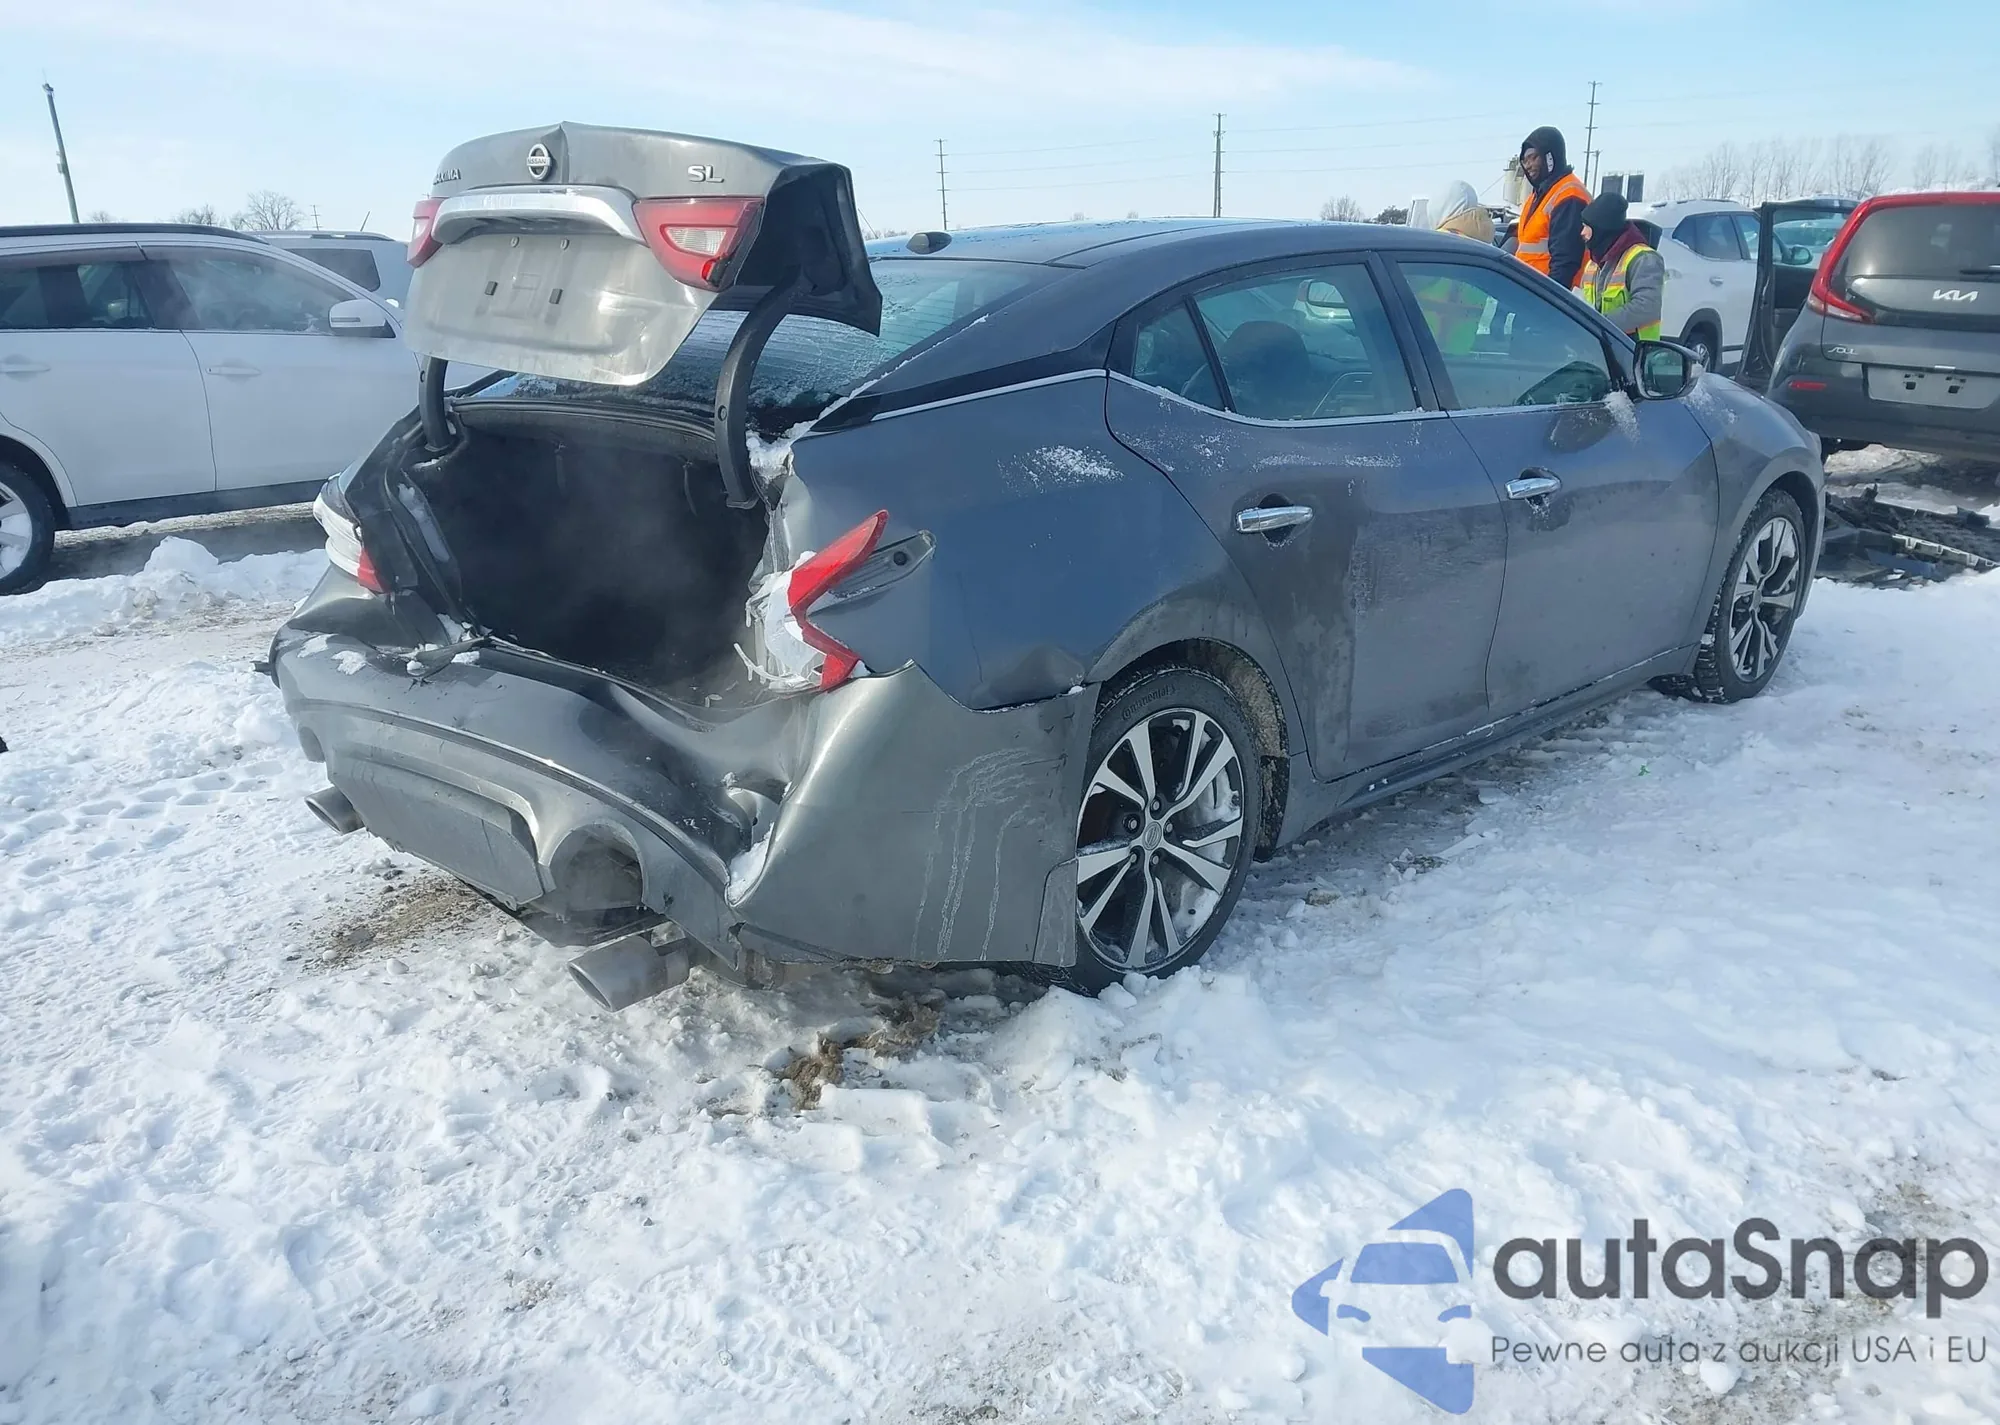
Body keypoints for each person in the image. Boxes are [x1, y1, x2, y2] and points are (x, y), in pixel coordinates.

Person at [1411, 181, 1497, 353]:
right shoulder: (1485, 252)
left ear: (1438, 208)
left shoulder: (1433, 248)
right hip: (1459, 357)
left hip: (1421, 354)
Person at [1576, 191, 1664, 341]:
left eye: (1586, 226)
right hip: (1603, 346)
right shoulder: (1593, 263)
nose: (1582, 232)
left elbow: (1647, 308)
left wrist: (1599, 325)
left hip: (1634, 350)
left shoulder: (1643, 259)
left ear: (1601, 228)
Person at [1510, 126, 1590, 289]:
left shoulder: (1569, 194)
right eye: (1524, 161)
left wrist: (1549, 297)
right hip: (1531, 290)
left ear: (1550, 157)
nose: (1528, 165)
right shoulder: (1536, 196)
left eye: (1533, 158)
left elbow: (1565, 262)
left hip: (1551, 294)